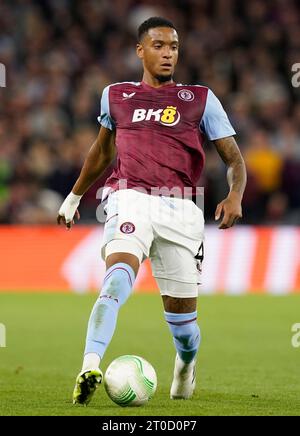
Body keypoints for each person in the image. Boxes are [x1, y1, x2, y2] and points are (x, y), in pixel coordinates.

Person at [57, 16, 247, 405]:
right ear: (140, 51)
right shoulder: (116, 95)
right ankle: (89, 365)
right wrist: (74, 196)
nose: (168, 53)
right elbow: (102, 152)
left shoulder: (200, 99)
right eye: (159, 45)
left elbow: (234, 159)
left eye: (173, 47)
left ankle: (185, 363)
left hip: (183, 207)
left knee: (183, 327)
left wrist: (235, 195)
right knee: (116, 279)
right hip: (130, 198)